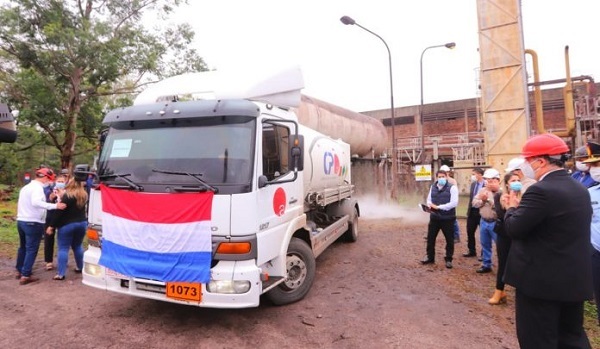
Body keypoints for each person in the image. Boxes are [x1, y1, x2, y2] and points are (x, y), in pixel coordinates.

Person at [504, 133, 593, 348]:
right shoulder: (579, 189)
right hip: (573, 281)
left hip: (540, 284)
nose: (524, 166)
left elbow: (515, 229)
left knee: (538, 339)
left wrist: (511, 208)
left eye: (527, 161)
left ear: (541, 161)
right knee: (572, 339)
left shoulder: (540, 190)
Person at [15, 168, 66, 285]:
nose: (50, 182)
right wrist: (55, 206)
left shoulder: (26, 187)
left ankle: (19, 269)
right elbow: (36, 203)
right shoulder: (37, 189)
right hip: (33, 222)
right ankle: (26, 274)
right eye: (50, 179)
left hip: (22, 220)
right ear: (45, 177)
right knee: (31, 249)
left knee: (23, 247)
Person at [46, 178, 88, 280]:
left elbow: (59, 212)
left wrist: (51, 226)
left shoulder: (67, 196)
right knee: (78, 246)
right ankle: (80, 267)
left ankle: (61, 273)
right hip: (82, 223)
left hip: (67, 225)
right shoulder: (84, 195)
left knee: (63, 248)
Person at [488, 171, 520, 305]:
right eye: (513, 180)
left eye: (518, 180)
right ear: (507, 183)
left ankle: (521, 294)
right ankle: (499, 291)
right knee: (503, 263)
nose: (516, 183)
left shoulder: (526, 196)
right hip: (504, 233)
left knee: (520, 264)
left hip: (519, 234)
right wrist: (511, 206)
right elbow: (501, 215)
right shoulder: (500, 196)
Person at [421, 169, 458, 269]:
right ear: (436, 178)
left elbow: (454, 203)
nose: (441, 178)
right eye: (439, 177)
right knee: (430, 238)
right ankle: (430, 257)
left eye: (443, 176)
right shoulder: (433, 187)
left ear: (446, 177)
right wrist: (429, 206)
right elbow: (429, 199)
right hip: (434, 218)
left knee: (449, 240)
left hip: (448, 218)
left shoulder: (452, 188)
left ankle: (449, 259)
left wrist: (439, 207)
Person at [583, 141, 600, 326]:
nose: (593, 169)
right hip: (596, 253)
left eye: (596, 164)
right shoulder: (590, 193)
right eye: (591, 165)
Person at [471, 168, 501, 274]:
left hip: (496, 222)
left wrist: (488, 200)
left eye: (492, 181)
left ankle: (503, 267)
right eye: (488, 181)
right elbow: (474, 203)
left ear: (498, 180)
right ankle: (486, 264)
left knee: (500, 246)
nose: (489, 183)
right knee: (485, 244)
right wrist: (482, 201)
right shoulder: (482, 190)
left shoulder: (501, 192)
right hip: (484, 221)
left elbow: (500, 207)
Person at [43, 174, 67, 270]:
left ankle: (62, 260)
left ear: (65, 182)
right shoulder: (48, 190)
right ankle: (49, 261)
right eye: (59, 181)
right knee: (49, 238)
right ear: (55, 181)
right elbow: (43, 202)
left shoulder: (68, 191)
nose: (60, 183)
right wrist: (50, 198)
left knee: (63, 239)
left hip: (63, 218)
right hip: (50, 217)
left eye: (62, 181)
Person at [463, 167, 485, 257]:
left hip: (482, 212)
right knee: (470, 231)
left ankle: (484, 253)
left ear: (479, 174)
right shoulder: (473, 184)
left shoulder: (486, 185)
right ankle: (471, 250)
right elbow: (471, 199)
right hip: (472, 211)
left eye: (474, 174)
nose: (472, 176)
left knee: (483, 233)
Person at [440, 164, 460, 243]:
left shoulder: (452, 181)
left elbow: (455, 192)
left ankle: (456, 236)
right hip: (441, 203)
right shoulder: (439, 180)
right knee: (437, 219)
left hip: (450, 203)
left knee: (453, 220)